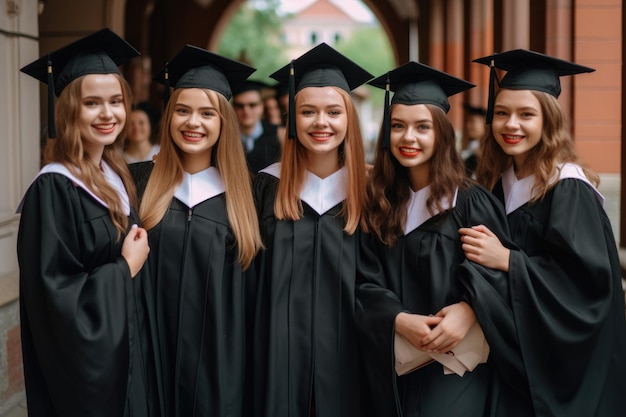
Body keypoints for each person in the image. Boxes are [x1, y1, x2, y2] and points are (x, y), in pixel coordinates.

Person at [459, 49, 626, 416]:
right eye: (501, 113)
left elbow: (586, 285)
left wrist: (509, 261)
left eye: (526, 114)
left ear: (548, 121)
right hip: (505, 355)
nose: (510, 124)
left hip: (553, 368)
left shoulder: (567, 188)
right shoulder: (494, 182)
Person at [354, 62, 516, 417]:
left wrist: (469, 310)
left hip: (456, 364)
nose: (408, 138)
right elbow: (363, 279)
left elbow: (497, 270)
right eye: (397, 126)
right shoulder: (379, 201)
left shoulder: (469, 201)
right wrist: (397, 318)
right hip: (394, 361)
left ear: (442, 133)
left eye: (422, 127)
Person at [17, 28, 154, 416]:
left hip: (129, 353)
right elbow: (55, 298)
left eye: (116, 101)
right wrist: (125, 267)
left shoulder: (115, 174)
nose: (108, 114)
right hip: (90, 378)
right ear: (68, 109)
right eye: (92, 103)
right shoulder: (54, 188)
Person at [134, 45, 263, 417]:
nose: (194, 123)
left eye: (207, 113)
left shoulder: (249, 196)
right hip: (152, 359)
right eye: (183, 111)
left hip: (222, 373)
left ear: (224, 121)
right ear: (168, 116)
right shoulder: (138, 185)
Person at [253, 42, 373, 417]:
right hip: (277, 359)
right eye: (307, 112)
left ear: (348, 119)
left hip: (354, 358)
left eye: (333, 111)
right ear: (292, 118)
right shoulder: (264, 188)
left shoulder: (374, 192)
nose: (321, 122)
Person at [232, 80, 282, 173]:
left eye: (252, 105)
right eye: (240, 106)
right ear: (233, 108)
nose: (246, 111)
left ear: (261, 106)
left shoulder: (279, 135)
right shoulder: (226, 138)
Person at [460, 103, 486, 177]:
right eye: (468, 122)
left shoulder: (488, 151)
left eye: (473, 121)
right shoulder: (468, 146)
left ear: (484, 124)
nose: (468, 126)